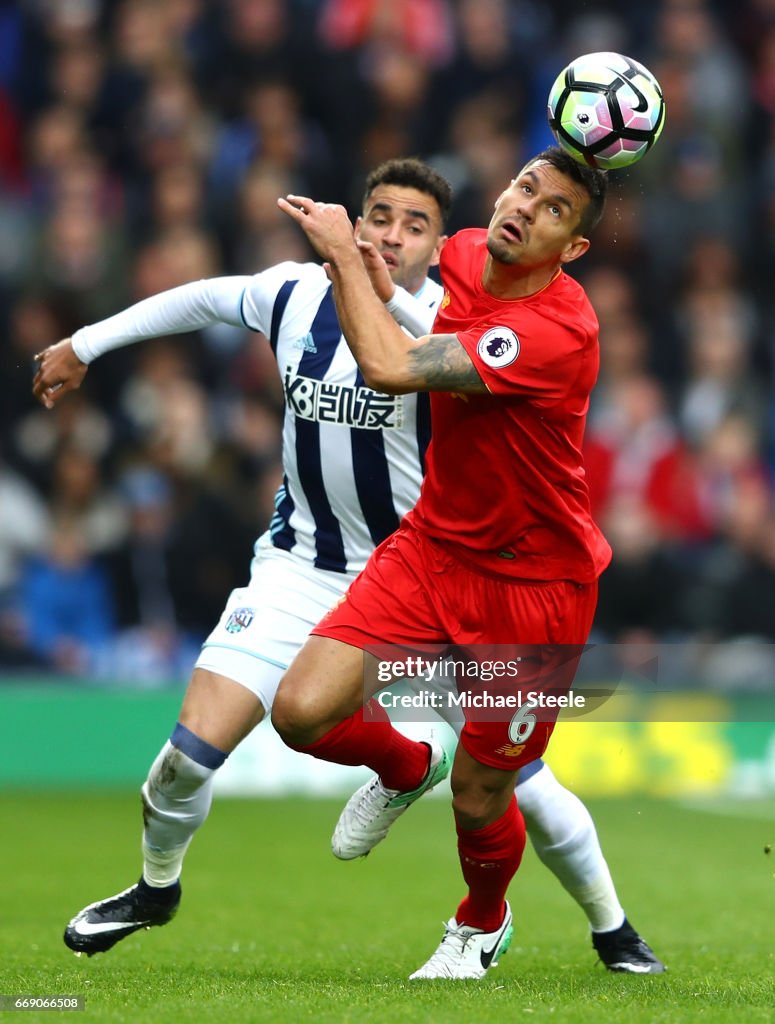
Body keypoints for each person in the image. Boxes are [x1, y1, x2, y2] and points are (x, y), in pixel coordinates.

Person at [33, 157, 661, 974]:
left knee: (513, 785)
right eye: (380, 216)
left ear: (441, 249)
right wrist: (86, 341)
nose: (392, 235)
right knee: (190, 756)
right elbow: (202, 298)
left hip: (470, 573)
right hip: (320, 567)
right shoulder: (294, 292)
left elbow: (395, 363)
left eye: (415, 225)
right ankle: (174, 879)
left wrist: (352, 272)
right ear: (357, 219)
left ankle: (608, 928)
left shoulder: (452, 318)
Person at [271, 147, 664, 980]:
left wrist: (343, 252)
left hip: (535, 588)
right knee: (300, 711)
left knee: (488, 791)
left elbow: (388, 368)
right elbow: (403, 299)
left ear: (574, 247)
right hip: (433, 547)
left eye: (554, 208)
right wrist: (374, 267)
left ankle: (481, 920)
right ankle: (404, 762)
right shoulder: (464, 253)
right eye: (525, 185)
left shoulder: (557, 332)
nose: (524, 207)